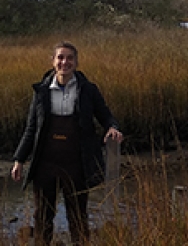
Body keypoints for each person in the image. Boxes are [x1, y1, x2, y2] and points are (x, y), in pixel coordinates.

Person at [11, 41, 124, 245]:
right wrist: (19, 159)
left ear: (76, 62)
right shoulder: (41, 92)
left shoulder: (88, 90)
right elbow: (31, 129)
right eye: (60, 58)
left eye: (70, 58)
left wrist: (113, 127)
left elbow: (106, 116)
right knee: (43, 217)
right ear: (53, 62)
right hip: (45, 165)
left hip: (77, 165)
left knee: (78, 217)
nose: (65, 62)